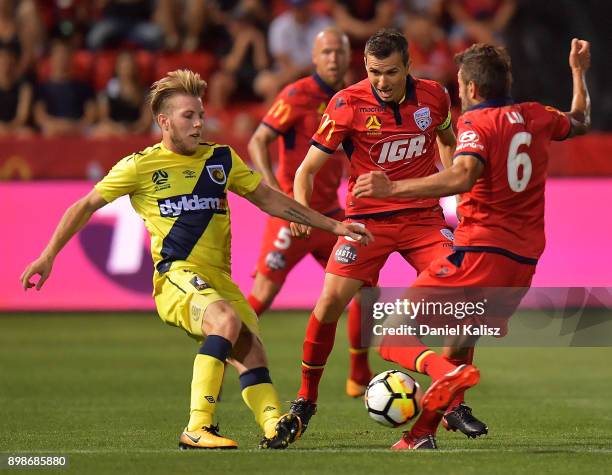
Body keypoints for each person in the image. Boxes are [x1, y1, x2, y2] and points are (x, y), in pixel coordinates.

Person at [20, 69, 371, 450]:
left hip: (218, 278)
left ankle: (273, 426)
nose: (199, 122)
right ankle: (197, 426)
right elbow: (86, 205)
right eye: (189, 116)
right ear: (164, 121)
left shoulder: (221, 158)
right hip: (175, 276)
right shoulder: (140, 166)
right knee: (226, 320)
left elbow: (270, 199)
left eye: (201, 114)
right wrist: (48, 255)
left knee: (251, 348)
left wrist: (332, 226)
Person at [353, 39, 591, 448]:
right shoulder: (537, 115)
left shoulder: (475, 124)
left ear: (471, 88)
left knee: (392, 336)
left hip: (480, 253)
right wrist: (579, 71)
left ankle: (443, 374)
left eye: (461, 84)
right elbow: (581, 119)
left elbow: (462, 175)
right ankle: (420, 436)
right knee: (460, 341)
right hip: (522, 265)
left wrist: (391, 187)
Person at [287, 28, 482, 447]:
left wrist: (453, 195)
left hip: (423, 220)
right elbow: (305, 171)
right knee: (329, 303)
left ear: (408, 66)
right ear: (365, 68)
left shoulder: (435, 97)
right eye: (375, 72)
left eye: (391, 72)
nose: (382, 81)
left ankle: (453, 404)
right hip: (365, 223)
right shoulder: (346, 104)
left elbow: (450, 145)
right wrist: (303, 212)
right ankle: (305, 399)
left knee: (468, 298)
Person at [246, 27, 371, 397]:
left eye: (339, 52)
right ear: (315, 58)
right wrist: (275, 193)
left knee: (363, 288)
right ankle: (218, 357)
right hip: (292, 216)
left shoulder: (353, 99)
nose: (333, 58)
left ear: (349, 57)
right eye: (326, 52)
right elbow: (258, 140)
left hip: (330, 216)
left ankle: (358, 373)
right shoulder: (298, 94)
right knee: (262, 295)